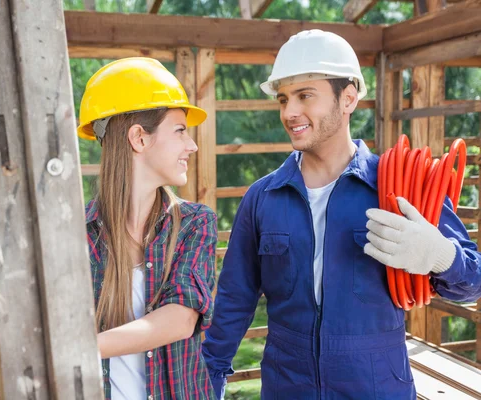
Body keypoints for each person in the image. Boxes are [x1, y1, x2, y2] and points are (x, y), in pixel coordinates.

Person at [0, 57, 218, 399]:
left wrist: (64, 354)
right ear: (139, 139)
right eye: (180, 131)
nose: (192, 145)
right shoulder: (71, 233)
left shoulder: (194, 222)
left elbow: (180, 319)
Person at [201, 29, 481, 399]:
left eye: (305, 96)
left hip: (377, 388)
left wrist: (441, 256)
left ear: (348, 98)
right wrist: (208, 380)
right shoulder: (263, 197)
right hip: (287, 387)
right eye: (283, 99)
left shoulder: (401, 187)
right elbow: (234, 301)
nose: (289, 112)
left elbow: (472, 283)